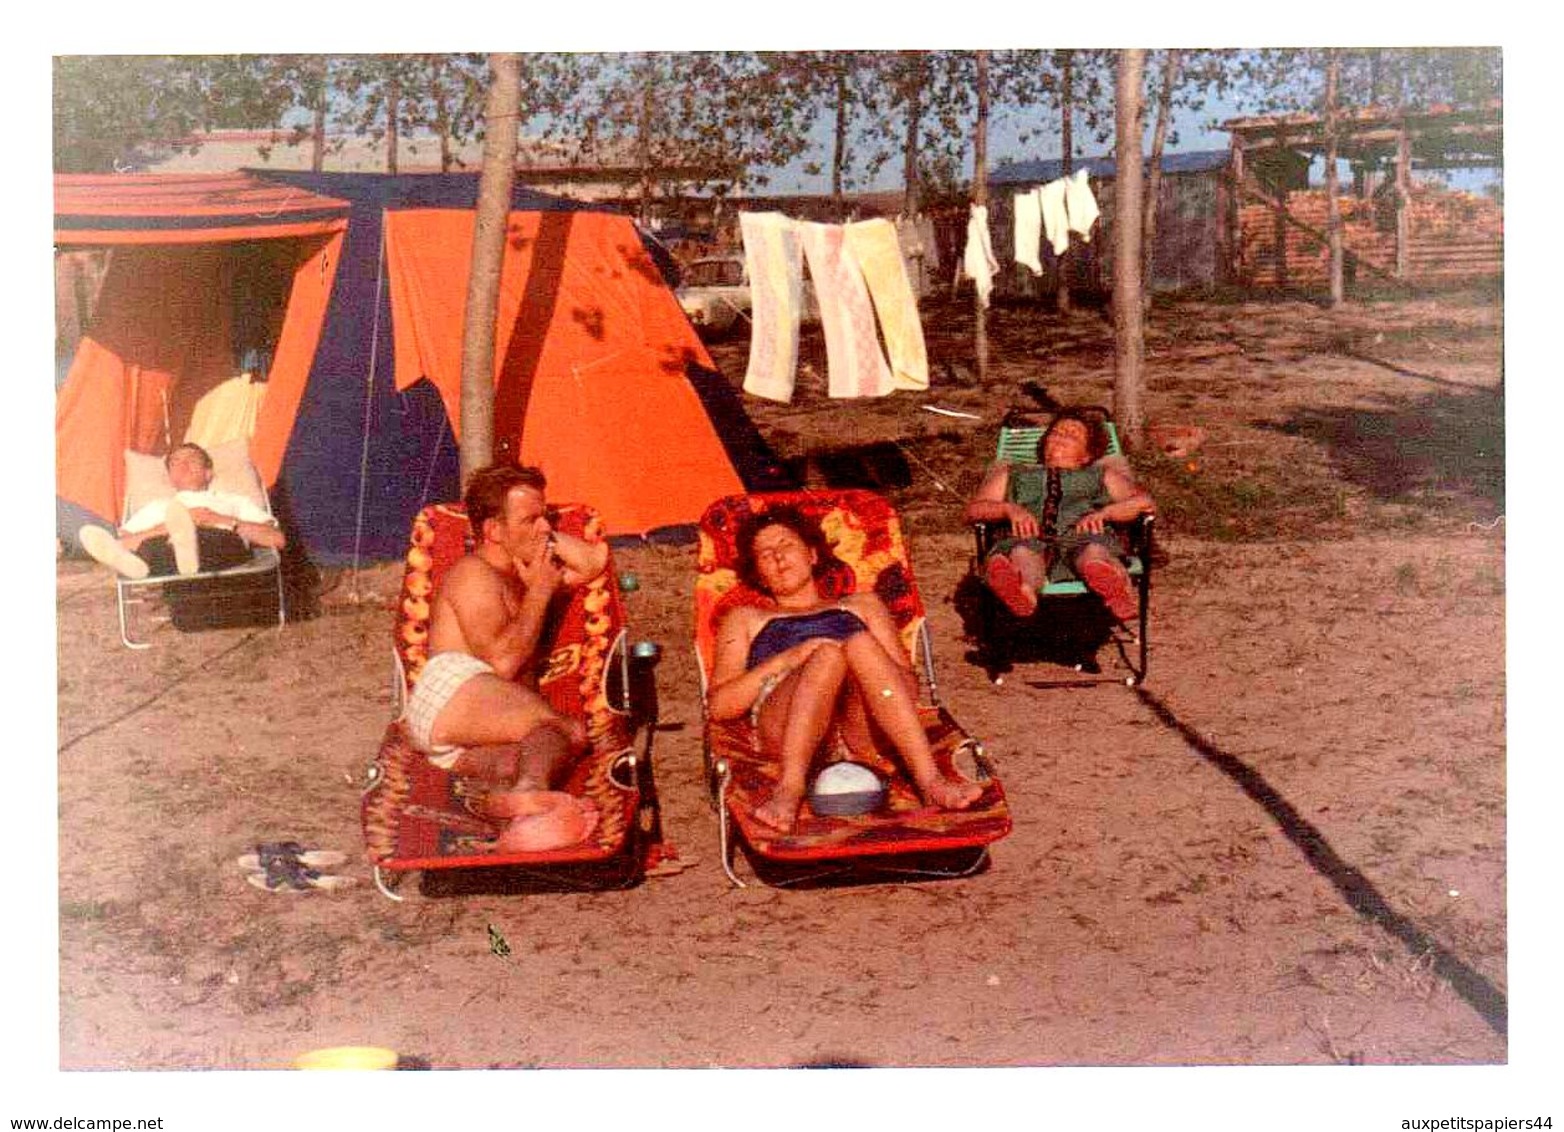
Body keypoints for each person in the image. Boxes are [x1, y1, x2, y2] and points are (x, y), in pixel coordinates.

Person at [706, 505, 984, 834]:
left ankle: (930, 781)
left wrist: (857, 657)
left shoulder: (863, 604)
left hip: (861, 727)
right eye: (765, 555)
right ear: (758, 573)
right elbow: (720, 706)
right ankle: (789, 789)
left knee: (859, 645)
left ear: (812, 554)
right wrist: (790, 658)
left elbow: (907, 688)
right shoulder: (746, 618)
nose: (778, 557)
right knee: (827, 657)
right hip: (784, 722)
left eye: (786, 545)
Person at [401, 463, 609, 798]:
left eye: (547, 518)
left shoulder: (523, 571)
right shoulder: (474, 574)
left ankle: (502, 812)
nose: (545, 528)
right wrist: (540, 591)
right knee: (564, 730)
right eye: (531, 520)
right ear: (494, 531)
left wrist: (541, 538)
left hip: (474, 714)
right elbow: (503, 663)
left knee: (520, 760)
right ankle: (531, 794)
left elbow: (592, 562)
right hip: (451, 690)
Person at [964, 408, 1154, 624]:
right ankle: (1022, 592)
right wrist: (1009, 509)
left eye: (1072, 435)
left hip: (1083, 534)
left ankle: (1116, 588)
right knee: (1021, 553)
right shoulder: (1014, 473)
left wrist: (1106, 513)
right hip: (1028, 536)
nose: (1061, 437)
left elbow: (1144, 503)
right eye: (1056, 432)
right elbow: (974, 510)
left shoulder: (1102, 474)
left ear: (1087, 455)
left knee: (1093, 553)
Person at [78, 442, 285, 579]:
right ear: (170, 477)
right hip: (163, 546)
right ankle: (167, 555)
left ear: (208, 473)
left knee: (214, 539)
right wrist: (166, 528)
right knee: (150, 546)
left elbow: (276, 539)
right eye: (175, 463)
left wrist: (214, 519)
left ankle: (184, 551)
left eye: (192, 460)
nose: (183, 465)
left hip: (218, 540)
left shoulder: (232, 500)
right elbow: (126, 542)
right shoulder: (158, 506)